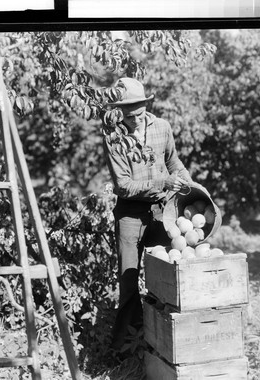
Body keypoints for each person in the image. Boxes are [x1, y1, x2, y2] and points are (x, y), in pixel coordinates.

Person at [102, 77, 193, 357]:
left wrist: (185, 181)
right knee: (128, 280)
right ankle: (122, 349)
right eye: (128, 116)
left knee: (162, 275)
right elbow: (124, 186)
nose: (134, 121)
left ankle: (158, 341)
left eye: (139, 114)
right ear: (119, 112)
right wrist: (162, 184)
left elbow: (172, 161)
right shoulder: (113, 137)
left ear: (145, 105)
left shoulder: (162, 127)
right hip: (130, 215)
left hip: (160, 213)